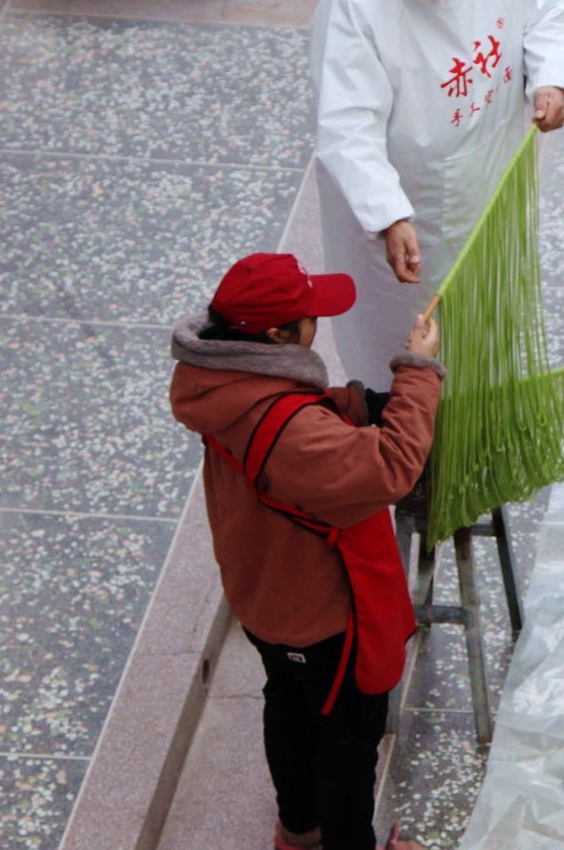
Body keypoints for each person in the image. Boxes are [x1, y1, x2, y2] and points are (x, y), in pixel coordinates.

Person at [169, 253, 442, 850]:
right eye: (308, 314)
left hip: (261, 591)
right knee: (347, 742)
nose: (317, 320)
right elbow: (390, 468)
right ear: (275, 335)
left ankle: (297, 832)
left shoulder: (217, 379)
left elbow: (293, 432)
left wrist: (344, 408)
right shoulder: (291, 431)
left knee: (288, 707)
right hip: (318, 617)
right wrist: (417, 372)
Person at [310, 0, 564, 389]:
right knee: (406, 337)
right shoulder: (354, 4)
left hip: (488, 176)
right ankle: (404, 440)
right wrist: (388, 214)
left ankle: (484, 407)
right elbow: (347, 130)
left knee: (488, 313)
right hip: (407, 208)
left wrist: (549, 79)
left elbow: (545, 13)